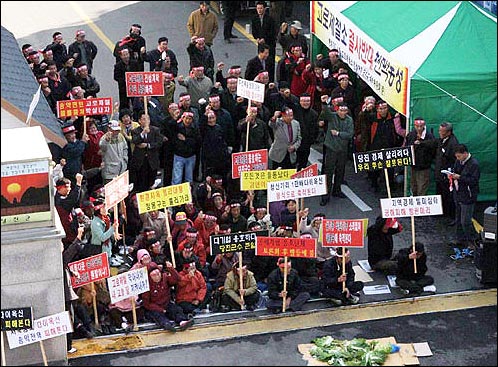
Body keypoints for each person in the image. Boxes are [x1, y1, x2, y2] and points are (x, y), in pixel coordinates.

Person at [422, 122, 460, 222]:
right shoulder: (442, 140)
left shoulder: (453, 143)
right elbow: (434, 142)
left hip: (446, 174)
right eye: (439, 131)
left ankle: (452, 216)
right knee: (440, 193)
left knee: (449, 196)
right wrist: (421, 143)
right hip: (440, 173)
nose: (440, 133)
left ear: (449, 132)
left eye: (442, 132)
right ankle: (442, 212)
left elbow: (453, 160)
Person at [318, 102, 354, 205]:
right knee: (328, 172)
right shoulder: (332, 116)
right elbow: (325, 112)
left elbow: (350, 134)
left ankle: (337, 190)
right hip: (331, 148)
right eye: (341, 110)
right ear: (337, 110)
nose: (343, 112)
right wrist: (324, 103)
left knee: (340, 170)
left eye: (345, 110)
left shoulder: (349, 120)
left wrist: (338, 133)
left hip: (343, 149)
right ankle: (325, 195)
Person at [142, 262, 194, 331]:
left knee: (176, 309)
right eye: (154, 275)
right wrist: (160, 309)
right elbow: (147, 304)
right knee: (157, 315)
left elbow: (177, 279)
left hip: (166, 303)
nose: (157, 277)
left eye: (158, 274)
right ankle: (166, 324)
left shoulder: (165, 277)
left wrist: (171, 269)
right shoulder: (146, 285)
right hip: (155, 307)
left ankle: (182, 322)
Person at [448, 144, 480, 249]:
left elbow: (474, 181)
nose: (457, 159)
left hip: (468, 195)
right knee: (458, 218)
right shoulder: (459, 161)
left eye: (459, 156)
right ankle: (460, 239)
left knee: (465, 221)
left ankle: (473, 240)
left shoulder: (474, 164)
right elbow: (455, 170)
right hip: (458, 193)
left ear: (465, 153)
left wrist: (460, 177)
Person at [129, 110, 164, 193]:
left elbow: (159, 143)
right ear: (139, 121)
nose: (146, 121)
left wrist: (148, 145)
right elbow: (135, 141)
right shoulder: (135, 131)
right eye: (144, 119)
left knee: (152, 182)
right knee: (141, 182)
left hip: (152, 160)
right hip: (140, 161)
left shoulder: (155, 130)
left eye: (148, 119)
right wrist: (143, 133)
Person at [405, 118, 436, 196]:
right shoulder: (411, 135)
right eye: (417, 126)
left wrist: (422, 144)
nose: (419, 128)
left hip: (424, 167)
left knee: (422, 188)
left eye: (421, 126)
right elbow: (407, 148)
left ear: (424, 126)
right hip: (413, 166)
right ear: (414, 126)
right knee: (413, 186)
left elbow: (433, 150)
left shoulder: (429, 136)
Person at [172, 111, 201, 185]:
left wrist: (185, 139)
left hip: (191, 155)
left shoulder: (195, 128)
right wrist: (175, 118)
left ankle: (189, 192)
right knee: (177, 178)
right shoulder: (177, 127)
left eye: (190, 119)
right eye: (186, 118)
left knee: (189, 178)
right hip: (179, 155)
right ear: (183, 118)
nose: (188, 121)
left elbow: (197, 141)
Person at [55, 174, 83, 248]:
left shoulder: (62, 198)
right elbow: (72, 199)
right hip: (68, 235)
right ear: (59, 188)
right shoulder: (59, 200)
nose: (69, 189)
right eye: (67, 187)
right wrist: (78, 184)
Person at [252, 1, 277, 82]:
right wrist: (257, 38)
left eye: (261, 8)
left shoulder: (270, 19)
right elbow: (254, 31)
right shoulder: (254, 19)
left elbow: (273, 32)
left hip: (269, 44)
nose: (259, 10)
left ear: (265, 9)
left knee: (270, 63)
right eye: (258, 8)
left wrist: (265, 39)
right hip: (260, 45)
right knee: (261, 62)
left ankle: (270, 80)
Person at [294, 94, 319, 170]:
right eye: (304, 101)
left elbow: (315, 129)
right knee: (293, 164)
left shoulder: (314, 114)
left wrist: (312, 140)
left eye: (308, 101)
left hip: (307, 143)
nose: (306, 103)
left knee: (303, 164)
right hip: (294, 143)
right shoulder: (295, 111)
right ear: (300, 102)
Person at [99, 120, 128, 185]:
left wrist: (125, 160)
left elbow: (125, 148)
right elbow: (102, 147)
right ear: (109, 129)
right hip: (110, 172)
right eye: (115, 130)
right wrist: (106, 140)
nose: (117, 132)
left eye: (118, 130)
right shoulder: (104, 138)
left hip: (122, 169)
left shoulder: (121, 136)